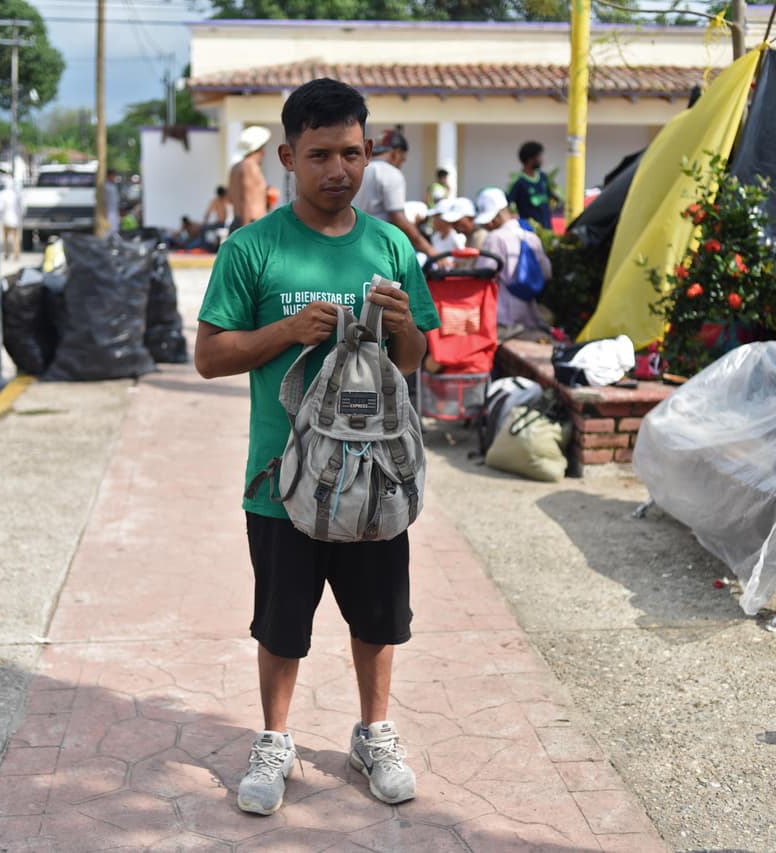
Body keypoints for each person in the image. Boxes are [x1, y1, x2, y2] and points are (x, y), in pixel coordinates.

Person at [195, 77, 440, 817]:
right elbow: (209, 355)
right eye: (322, 154)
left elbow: (415, 359)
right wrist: (286, 332)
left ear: (370, 152)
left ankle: (375, 732)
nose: (340, 170)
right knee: (281, 624)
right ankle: (275, 740)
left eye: (353, 153)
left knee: (379, 619)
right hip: (282, 483)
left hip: (375, 480)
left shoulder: (392, 245)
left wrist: (402, 325)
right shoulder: (252, 248)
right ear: (287, 158)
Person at [475, 186, 552, 333]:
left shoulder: (495, 238)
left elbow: (482, 274)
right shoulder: (531, 236)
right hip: (530, 315)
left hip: (502, 317)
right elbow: (546, 272)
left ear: (495, 218)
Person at [355, 129, 435, 257]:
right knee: (389, 278)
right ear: (396, 154)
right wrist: (430, 250)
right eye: (402, 160)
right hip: (377, 249)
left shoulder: (358, 169)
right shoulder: (390, 173)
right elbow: (398, 219)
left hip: (354, 245)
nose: (400, 164)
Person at [506, 141, 557, 230]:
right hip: (529, 231)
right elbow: (508, 203)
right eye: (539, 156)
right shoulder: (518, 181)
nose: (542, 160)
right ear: (530, 159)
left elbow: (551, 198)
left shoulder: (543, 177)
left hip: (547, 229)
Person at [227, 126, 271, 228]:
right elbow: (246, 199)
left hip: (239, 221)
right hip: (251, 224)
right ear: (260, 149)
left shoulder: (235, 167)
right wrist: (246, 231)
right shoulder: (250, 166)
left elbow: (230, 198)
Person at [427, 196, 470, 263]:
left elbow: (460, 263)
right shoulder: (435, 237)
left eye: (436, 216)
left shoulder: (458, 238)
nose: (433, 220)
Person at [0, 176, 22, 260]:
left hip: (5, 220)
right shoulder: (16, 194)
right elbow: (21, 208)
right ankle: (16, 254)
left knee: (6, 239)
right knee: (16, 238)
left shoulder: (2, 194)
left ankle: (7, 254)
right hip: (15, 220)